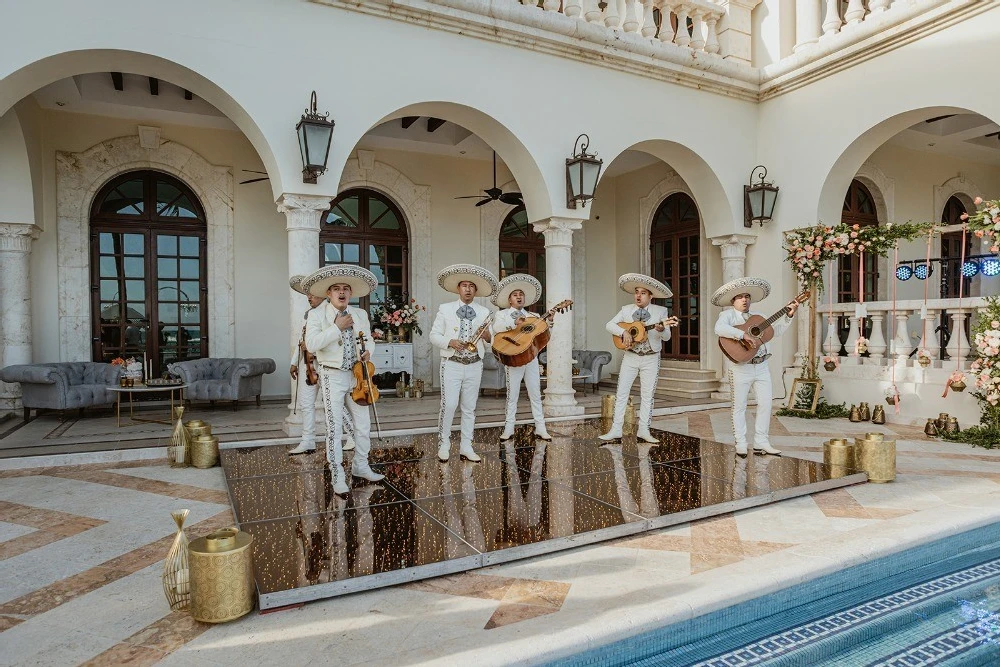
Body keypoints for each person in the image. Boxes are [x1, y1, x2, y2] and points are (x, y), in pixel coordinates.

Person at [303, 265, 385, 495]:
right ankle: (337, 474)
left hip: (358, 377)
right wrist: (336, 328)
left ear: (350, 293)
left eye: (346, 289)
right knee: (334, 428)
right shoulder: (316, 315)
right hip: (332, 375)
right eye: (336, 289)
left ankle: (361, 465)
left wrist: (369, 350)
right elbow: (312, 345)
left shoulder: (360, 314)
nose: (341, 292)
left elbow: (368, 339)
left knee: (363, 425)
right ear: (329, 293)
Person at [712, 277, 799, 457]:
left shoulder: (760, 318)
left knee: (766, 403)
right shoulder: (727, 316)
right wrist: (742, 335)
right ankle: (741, 443)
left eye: (747, 296)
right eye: (740, 297)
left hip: (761, 367)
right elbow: (719, 329)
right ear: (733, 301)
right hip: (740, 367)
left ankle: (761, 442)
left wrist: (789, 315)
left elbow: (777, 331)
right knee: (739, 406)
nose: (745, 300)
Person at [429, 264, 498, 463]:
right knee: (449, 405)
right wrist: (449, 342)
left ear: (475, 291)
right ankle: (444, 443)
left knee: (469, 407)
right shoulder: (445, 309)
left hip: (475, 364)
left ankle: (466, 446)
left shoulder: (484, 311)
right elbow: (434, 336)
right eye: (464, 285)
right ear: (458, 289)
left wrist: (488, 336)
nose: (468, 289)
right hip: (451, 363)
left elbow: (493, 338)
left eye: (471, 286)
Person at [600, 273, 677, 444]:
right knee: (621, 393)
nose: (638, 295)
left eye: (643, 293)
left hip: (651, 357)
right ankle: (616, 430)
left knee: (647, 395)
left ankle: (644, 430)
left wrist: (661, 330)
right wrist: (624, 332)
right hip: (630, 356)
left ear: (650, 296)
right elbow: (609, 325)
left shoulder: (661, 311)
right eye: (636, 292)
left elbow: (667, 337)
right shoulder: (626, 310)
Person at [286, 275, 356, 456]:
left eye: (312, 294)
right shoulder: (309, 315)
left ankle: (353, 436)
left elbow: (335, 341)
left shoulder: (332, 312)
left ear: (323, 295)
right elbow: (302, 339)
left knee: (334, 405)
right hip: (308, 366)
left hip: (324, 366)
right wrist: (295, 362)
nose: (309, 297)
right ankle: (307, 440)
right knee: (306, 404)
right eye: (307, 295)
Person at [491, 273, 552, 442]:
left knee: (535, 393)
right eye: (515, 295)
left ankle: (541, 428)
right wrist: (514, 323)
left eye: (521, 295)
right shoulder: (502, 314)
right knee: (512, 395)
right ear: (510, 300)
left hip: (531, 358)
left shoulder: (534, 317)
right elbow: (496, 328)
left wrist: (550, 322)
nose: (519, 297)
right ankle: (509, 428)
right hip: (513, 357)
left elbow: (544, 336)